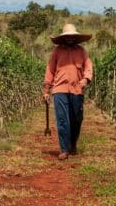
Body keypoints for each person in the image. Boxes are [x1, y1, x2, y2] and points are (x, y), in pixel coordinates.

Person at [42, 23, 93, 160]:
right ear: (64, 38)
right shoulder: (57, 52)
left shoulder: (81, 51)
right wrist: (46, 90)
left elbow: (88, 67)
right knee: (63, 120)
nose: (70, 39)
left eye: (72, 36)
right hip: (59, 89)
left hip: (77, 90)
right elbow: (50, 70)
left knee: (77, 118)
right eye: (67, 37)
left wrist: (86, 79)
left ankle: (72, 145)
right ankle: (64, 149)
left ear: (75, 38)